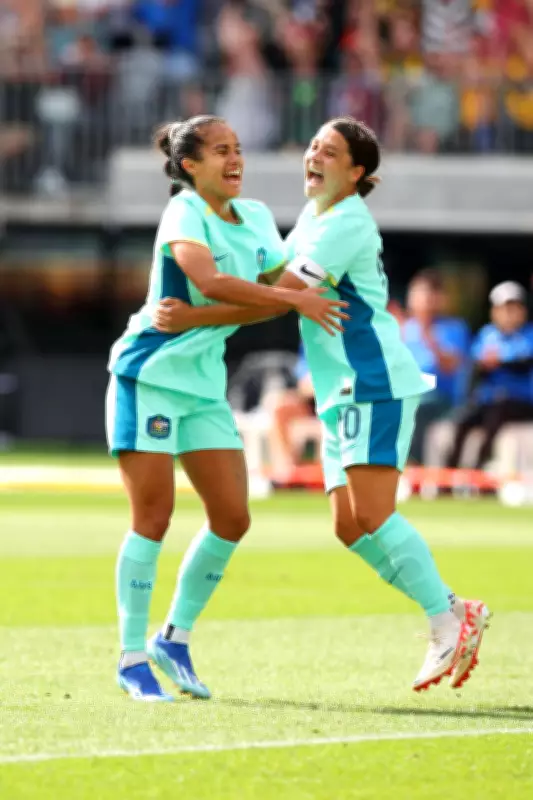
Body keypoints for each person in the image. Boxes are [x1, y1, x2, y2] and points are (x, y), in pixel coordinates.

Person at [160, 117, 491, 693]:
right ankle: (454, 609)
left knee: (375, 514)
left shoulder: (344, 224)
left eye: (330, 151)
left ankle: (446, 620)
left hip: (372, 381)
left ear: (356, 172)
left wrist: (195, 315)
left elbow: (280, 298)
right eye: (312, 145)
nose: (313, 155)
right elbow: (274, 281)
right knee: (348, 525)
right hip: (341, 388)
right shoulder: (316, 217)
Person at [106, 114, 347, 701]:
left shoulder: (257, 216)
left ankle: (173, 639)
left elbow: (275, 302)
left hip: (202, 384)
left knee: (233, 517)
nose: (235, 158)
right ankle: (132, 658)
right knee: (153, 518)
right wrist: (289, 298)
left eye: (237, 148)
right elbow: (213, 281)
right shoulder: (184, 211)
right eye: (220, 150)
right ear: (189, 166)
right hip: (149, 376)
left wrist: (206, 315)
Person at [447, 281, 533, 470]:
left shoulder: (529, 335)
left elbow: (524, 363)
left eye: (513, 308)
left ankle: (479, 468)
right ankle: (450, 472)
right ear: (494, 312)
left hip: (522, 402)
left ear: (523, 311)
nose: (508, 314)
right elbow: (475, 367)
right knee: (463, 418)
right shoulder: (487, 335)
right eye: (503, 309)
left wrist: (499, 362)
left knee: (496, 412)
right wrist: (485, 365)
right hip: (490, 400)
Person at [402, 269, 470, 464]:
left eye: (427, 293)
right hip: (408, 395)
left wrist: (428, 336)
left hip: (441, 400)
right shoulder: (402, 328)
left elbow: (451, 367)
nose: (421, 299)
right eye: (416, 292)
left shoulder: (454, 327)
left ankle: (415, 466)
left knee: (415, 409)